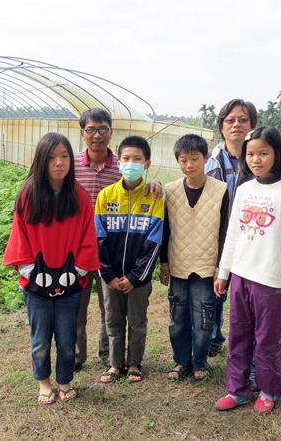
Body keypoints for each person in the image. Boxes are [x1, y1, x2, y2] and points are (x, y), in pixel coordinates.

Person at [3, 132, 100, 406]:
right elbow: (19, 236)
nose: (59, 162)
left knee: (68, 338)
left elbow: (87, 238)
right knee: (41, 339)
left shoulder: (79, 197)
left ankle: (65, 381)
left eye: (65, 156)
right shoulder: (28, 195)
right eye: (52, 157)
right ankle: (44, 383)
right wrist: (31, 272)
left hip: (71, 285)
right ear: (41, 160)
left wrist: (78, 271)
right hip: (37, 286)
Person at [213, 126, 281, 413]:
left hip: (270, 281)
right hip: (241, 276)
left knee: (266, 340)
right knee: (239, 335)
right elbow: (233, 235)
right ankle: (237, 390)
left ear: (277, 153)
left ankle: (268, 389)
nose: (256, 159)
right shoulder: (244, 189)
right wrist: (223, 272)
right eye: (250, 154)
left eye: (263, 153)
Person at [74, 108, 163, 371]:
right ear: (83, 133)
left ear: (111, 132)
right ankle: (77, 356)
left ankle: (109, 357)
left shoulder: (120, 166)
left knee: (108, 308)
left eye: (102, 129)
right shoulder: (73, 165)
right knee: (77, 307)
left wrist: (154, 182)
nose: (97, 135)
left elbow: (138, 185)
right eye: (90, 129)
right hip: (80, 246)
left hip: (111, 248)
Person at [159, 134, 229, 382]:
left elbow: (225, 233)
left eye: (195, 159)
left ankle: (199, 362)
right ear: (178, 161)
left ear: (206, 158)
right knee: (177, 318)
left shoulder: (221, 191)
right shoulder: (170, 190)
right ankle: (181, 361)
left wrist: (222, 268)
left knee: (203, 318)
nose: (189, 165)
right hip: (178, 265)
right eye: (183, 160)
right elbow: (165, 230)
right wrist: (164, 264)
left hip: (207, 267)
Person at [94, 136, 164, 383]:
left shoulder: (154, 197)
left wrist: (135, 277)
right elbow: (98, 238)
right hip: (110, 276)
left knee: (137, 320)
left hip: (138, 279)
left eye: (137, 159)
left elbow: (154, 242)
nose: (131, 164)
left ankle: (134, 363)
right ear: (118, 162)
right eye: (126, 159)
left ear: (147, 163)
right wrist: (109, 275)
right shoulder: (106, 196)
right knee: (112, 319)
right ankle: (115, 364)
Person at [204, 99, 258, 360]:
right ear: (222, 127)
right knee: (215, 292)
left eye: (243, 120)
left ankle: (246, 346)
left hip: (251, 239)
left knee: (245, 295)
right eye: (230, 120)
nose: (236, 124)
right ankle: (213, 340)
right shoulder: (210, 161)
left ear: (252, 126)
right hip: (216, 237)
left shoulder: (259, 160)